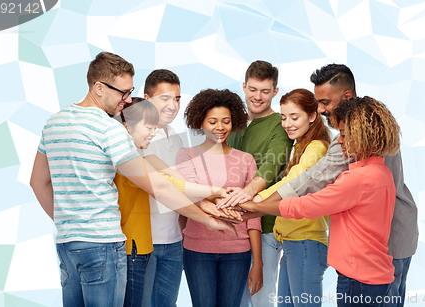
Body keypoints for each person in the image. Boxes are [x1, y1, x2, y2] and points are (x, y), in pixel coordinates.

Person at [29, 52, 235, 307]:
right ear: (99, 88)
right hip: (104, 243)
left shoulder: (53, 123)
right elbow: (157, 184)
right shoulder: (109, 128)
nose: (127, 100)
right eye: (123, 93)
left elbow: (38, 182)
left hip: (67, 244)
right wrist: (206, 219)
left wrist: (72, 224)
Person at [261, 64, 418, 307]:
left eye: (324, 102)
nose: (321, 109)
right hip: (384, 244)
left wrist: (257, 205)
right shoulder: (373, 124)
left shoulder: (359, 136)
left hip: (386, 245)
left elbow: (312, 182)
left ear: (346, 97)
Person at [241, 96, 401, 307]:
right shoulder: (382, 173)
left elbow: (307, 204)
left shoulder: (357, 179)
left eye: (344, 135)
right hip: (375, 275)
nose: (340, 141)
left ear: (363, 135)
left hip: (358, 280)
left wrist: (256, 207)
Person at [114, 98, 240, 307]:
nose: (153, 133)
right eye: (148, 127)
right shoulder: (127, 163)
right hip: (131, 248)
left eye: (155, 127)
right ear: (126, 126)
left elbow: (179, 181)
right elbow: (168, 187)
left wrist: (210, 201)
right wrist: (215, 194)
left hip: (143, 247)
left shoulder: (146, 156)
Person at [176, 89, 263, 307]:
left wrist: (258, 262)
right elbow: (190, 190)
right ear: (201, 122)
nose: (220, 127)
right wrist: (221, 199)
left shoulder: (245, 160)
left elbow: (253, 216)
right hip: (197, 251)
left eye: (226, 121)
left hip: (237, 252)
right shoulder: (186, 154)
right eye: (212, 121)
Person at [225, 60, 294, 307]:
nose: (258, 96)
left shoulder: (280, 125)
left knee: (260, 299)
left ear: (275, 92)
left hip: (264, 227)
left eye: (265, 91)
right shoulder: (232, 122)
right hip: (229, 225)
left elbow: (270, 168)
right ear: (244, 87)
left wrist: (245, 194)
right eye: (253, 89)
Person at [255, 89, 331, 306]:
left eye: (294, 117)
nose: (287, 123)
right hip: (294, 243)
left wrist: (257, 200)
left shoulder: (316, 148)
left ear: (313, 116)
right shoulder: (301, 146)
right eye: (283, 117)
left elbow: (294, 183)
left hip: (305, 242)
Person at [140, 69, 186, 307]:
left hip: (174, 242)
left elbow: (185, 186)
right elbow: (170, 185)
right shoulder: (137, 136)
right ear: (147, 99)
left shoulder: (177, 137)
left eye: (177, 99)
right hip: (144, 243)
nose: (172, 105)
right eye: (165, 98)